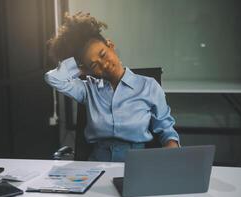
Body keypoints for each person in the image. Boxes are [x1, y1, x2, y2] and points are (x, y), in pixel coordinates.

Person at [45, 12, 180, 162]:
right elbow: (53, 78)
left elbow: (166, 128)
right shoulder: (88, 90)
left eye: (103, 54)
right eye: (94, 64)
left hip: (138, 162)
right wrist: (80, 66)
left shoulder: (148, 86)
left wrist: (171, 146)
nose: (104, 64)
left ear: (110, 45)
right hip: (97, 164)